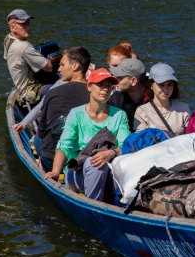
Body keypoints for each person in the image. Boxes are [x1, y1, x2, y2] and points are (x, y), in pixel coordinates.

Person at [44, 68, 131, 201]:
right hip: (77, 171)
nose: (105, 89)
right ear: (89, 87)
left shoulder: (119, 115)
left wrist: (111, 153)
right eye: (100, 85)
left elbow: (125, 145)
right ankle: (94, 207)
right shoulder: (76, 114)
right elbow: (64, 146)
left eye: (108, 86)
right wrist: (55, 172)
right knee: (94, 163)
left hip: (110, 169)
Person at [33, 47, 92, 170]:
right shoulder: (94, 94)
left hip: (51, 159)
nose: (59, 69)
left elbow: (42, 130)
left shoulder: (52, 92)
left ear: (75, 66)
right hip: (82, 159)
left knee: (38, 136)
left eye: (62, 65)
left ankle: (43, 166)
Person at [3, 9, 56, 105]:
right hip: (29, 91)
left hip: (20, 83)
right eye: (23, 24)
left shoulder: (8, 38)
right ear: (13, 27)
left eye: (28, 23)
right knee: (61, 89)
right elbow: (49, 68)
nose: (28, 27)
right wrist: (47, 60)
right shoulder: (24, 47)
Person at [134, 63, 191, 137]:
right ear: (151, 85)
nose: (166, 90)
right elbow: (140, 141)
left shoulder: (183, 109)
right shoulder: (142, 111)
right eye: (161, 84)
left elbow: (190, 137)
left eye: (169, 85)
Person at [108, 58, 149, 131]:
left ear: (133, 81)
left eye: (120, 77)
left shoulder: (154, 98)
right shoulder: (116, 99)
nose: (115, 80)